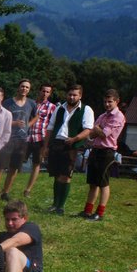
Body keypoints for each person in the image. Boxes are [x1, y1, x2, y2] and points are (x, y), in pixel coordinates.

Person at [44, 84, 94, 215]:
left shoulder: (86, 109)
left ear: (80, 96)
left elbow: (88, 130)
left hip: (71, 145)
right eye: (70, 94)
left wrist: (75, 139)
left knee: (66, 176)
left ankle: (60, 206)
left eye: (75, 95)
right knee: (56, 175)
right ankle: (55, 204)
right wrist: (46, 146)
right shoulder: (59, 108)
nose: (72, 97)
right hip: (56, 143)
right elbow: (50, 128)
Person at [80, 89, 125, 221]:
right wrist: (97, 130)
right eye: (105, 102)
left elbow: (104, 134)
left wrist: (97, 130)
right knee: (93, 183)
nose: (107, 104)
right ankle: (87, 211)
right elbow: (91, 134)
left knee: (103, 183)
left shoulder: (118, 116)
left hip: (107, 152)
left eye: (110, 102)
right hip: (96, 150)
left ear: (117, 101)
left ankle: (100, 212)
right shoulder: (103, 115)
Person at [0, 79, 35, 200]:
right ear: (18, 87)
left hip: (22, 140)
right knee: (0, 167)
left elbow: (36, 116)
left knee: (14, 168)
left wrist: (28, 125)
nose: (24, 89)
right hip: (7, 139)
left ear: (29, 90)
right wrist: (14, 123)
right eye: (22, 86)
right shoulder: (8, 103)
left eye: (27, 87)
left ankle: (5, 193)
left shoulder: (31, 103)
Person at [22, 83, 56, 199]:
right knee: (17, 161)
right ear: (39, 91)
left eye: (47, 92)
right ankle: (7, 188)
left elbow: (52, 125)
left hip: (40, 138)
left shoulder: (52, 107)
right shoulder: (30, 103)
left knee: (36, 164)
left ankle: (28, 190)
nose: (45, 93)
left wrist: (48, 144)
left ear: (50, 93)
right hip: (26, 137)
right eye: (43, 91)